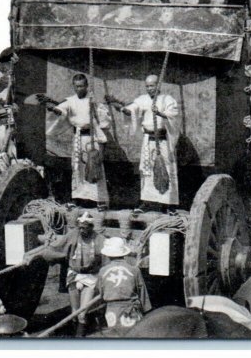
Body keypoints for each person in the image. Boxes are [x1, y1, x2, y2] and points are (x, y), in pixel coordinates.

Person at [25, 210, 104, 337]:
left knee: (82, 314)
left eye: (85, 228)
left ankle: (79, 339)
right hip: (74, 275)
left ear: (91, 227)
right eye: (80, 227)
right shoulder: (73, 235)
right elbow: (55, 248)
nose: (82, 230)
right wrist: (36, 255)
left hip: (90, 277)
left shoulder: (99, 239)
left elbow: (108, 256)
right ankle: (72, 337)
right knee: (74, 312)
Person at [113, 74, 180, 209]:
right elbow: (132, 110)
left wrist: (160, 113)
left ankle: (169, 204)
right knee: (147, 169)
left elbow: (173, 116)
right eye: (147, 86)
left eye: (152, 85)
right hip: (148, 140)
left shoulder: (167, 100)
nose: (149, 88)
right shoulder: (142, 100)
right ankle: (147, 201)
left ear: (158, 85)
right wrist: (122, 109)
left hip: (163, 140)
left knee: (166, 168)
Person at [43, 73, 110, 207]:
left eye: (82, 86)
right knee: (78, 168)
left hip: (92, 137)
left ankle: (99, 199)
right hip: (78, 138)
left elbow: (103, 120)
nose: (79, 89)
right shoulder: (70, 101)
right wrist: (54, 109)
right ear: (73, 87)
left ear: (86, 86)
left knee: (94, 166)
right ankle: (79, 198)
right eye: (76, 86)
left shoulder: (92, 101)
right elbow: (62, 110)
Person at [97, 236, 152, 333]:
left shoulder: (103, 271)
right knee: (133, 336)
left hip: (111, 310)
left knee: (115, 336)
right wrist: (147, 311)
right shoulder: (134, 270)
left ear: (108, 255)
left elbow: (100, 293)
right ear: (124, 254)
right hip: (130, 309)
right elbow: (142, 293)